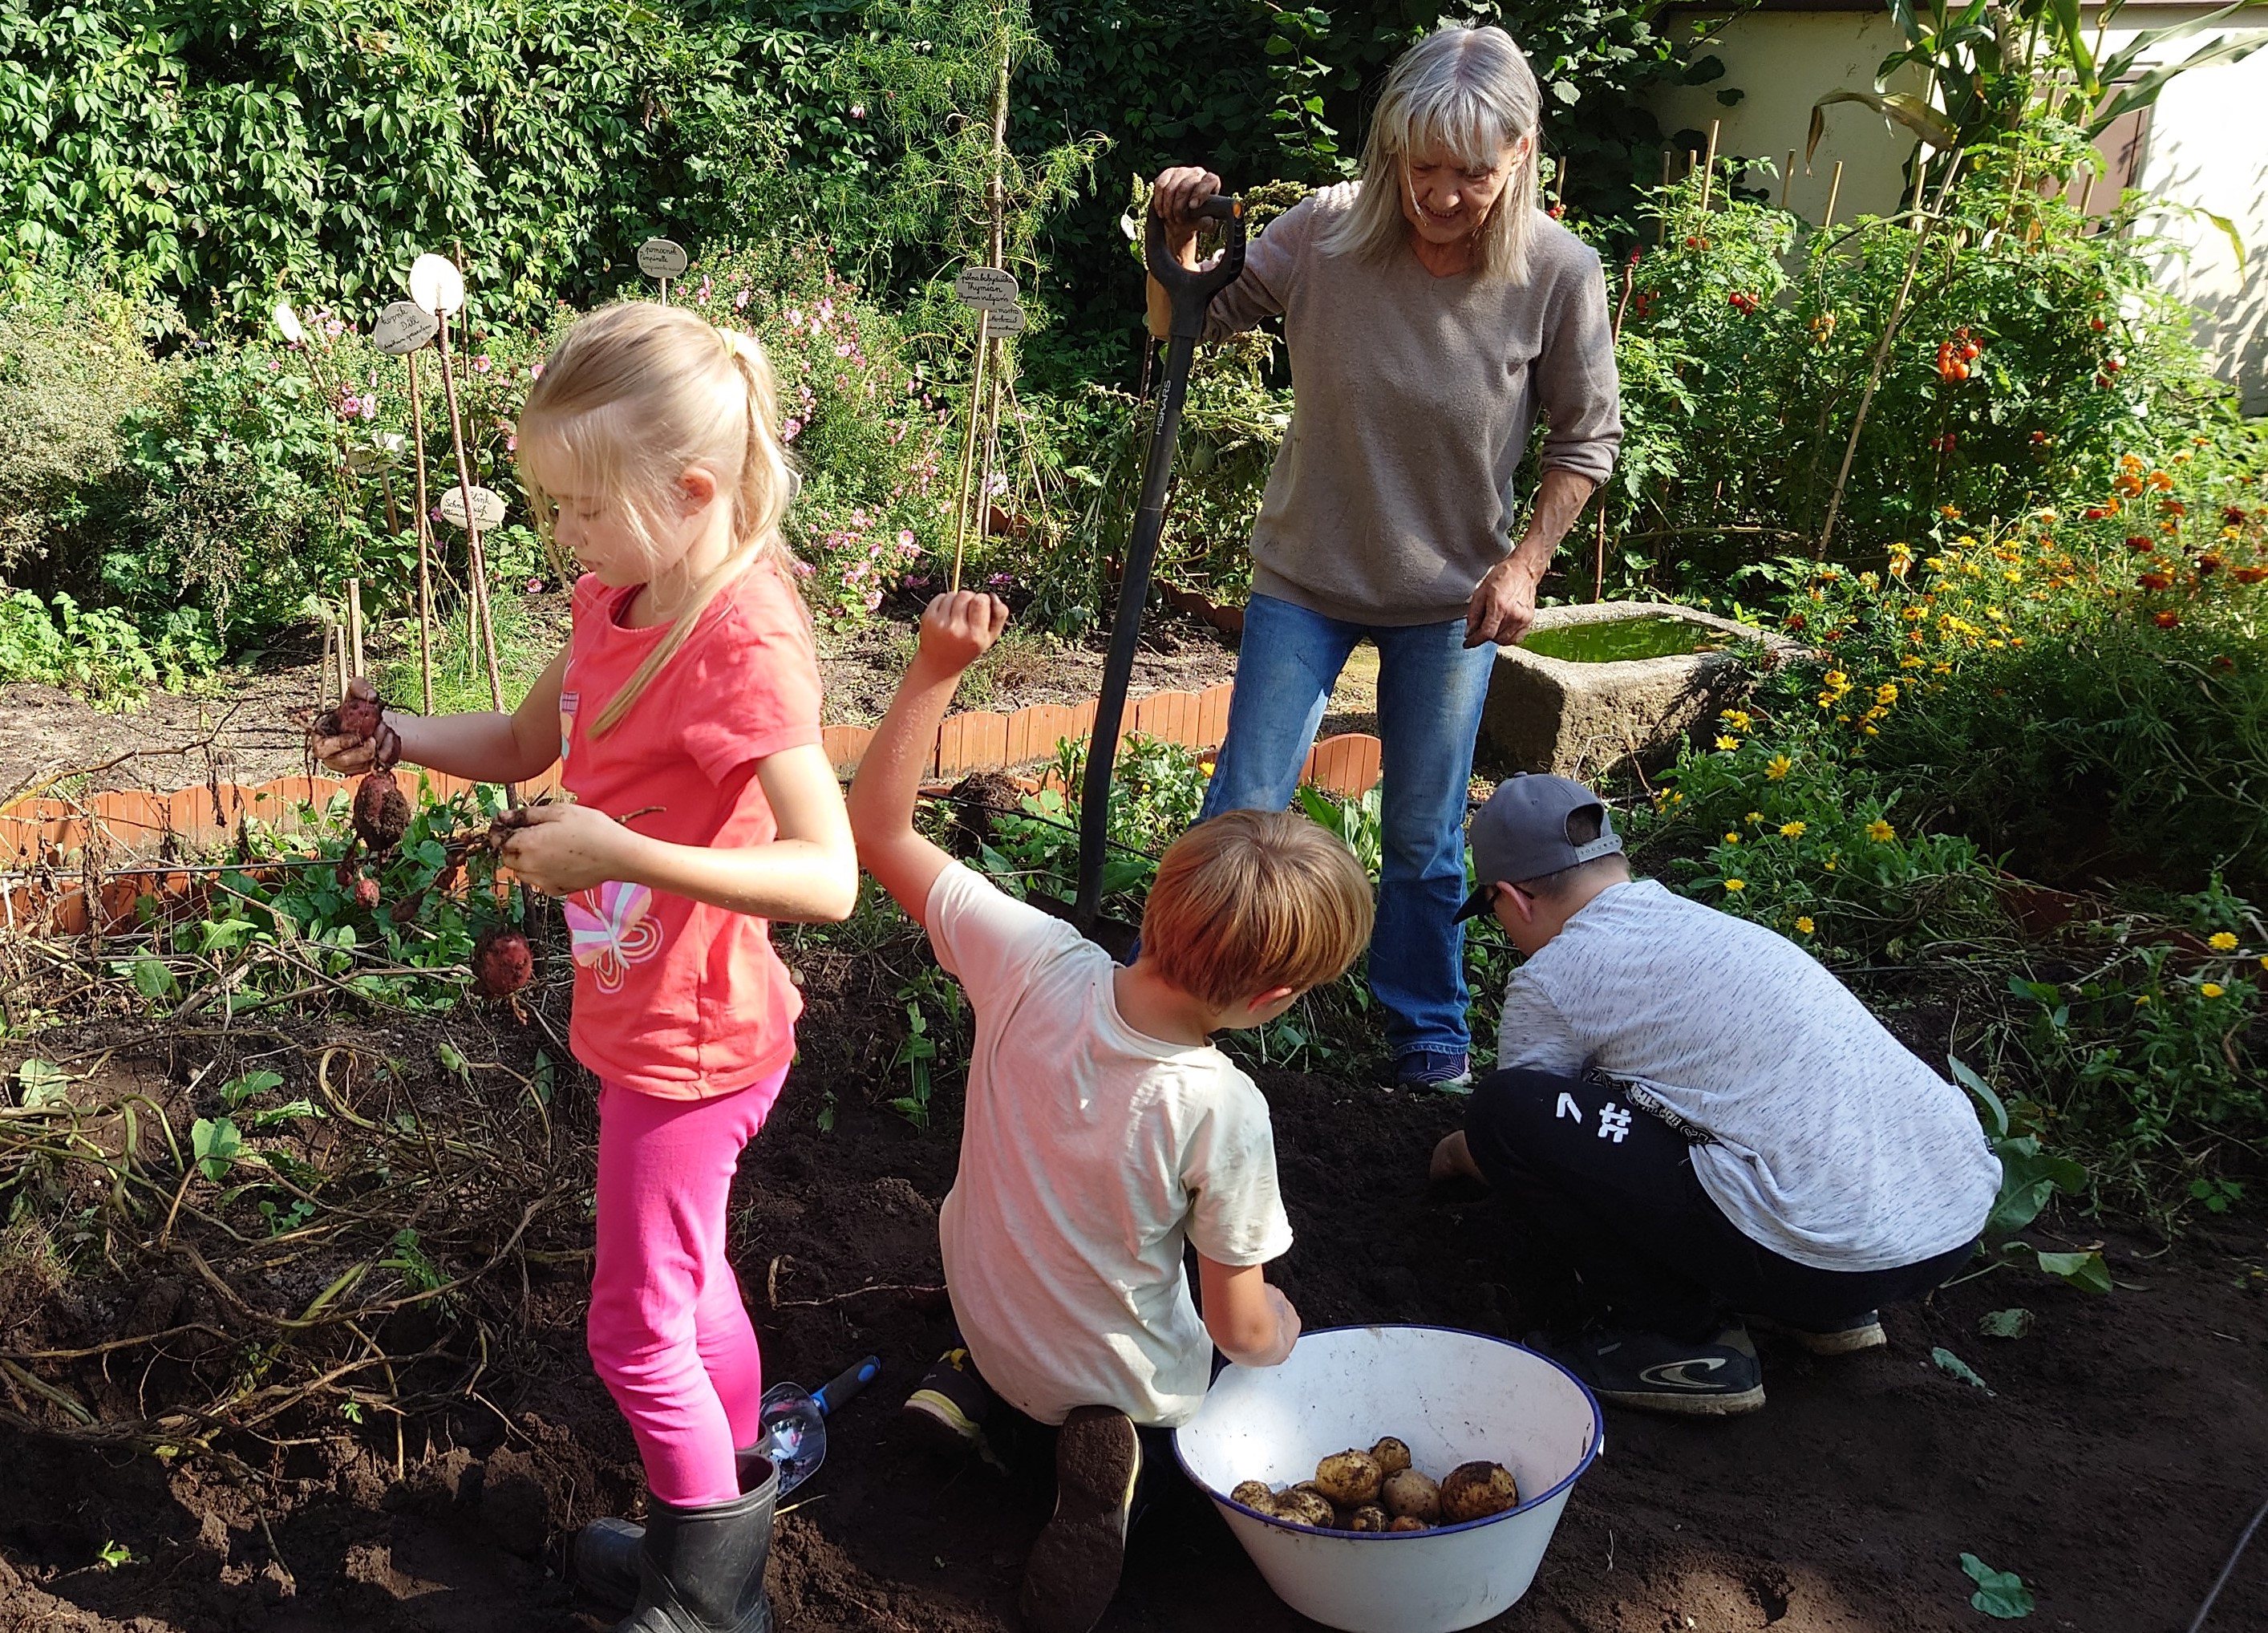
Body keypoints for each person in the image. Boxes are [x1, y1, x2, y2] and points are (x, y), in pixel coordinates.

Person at [314, 303, 857, 1633]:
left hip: (698, 1044)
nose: (559, 538)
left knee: (628, 1329)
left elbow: (827, 875)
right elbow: (515, 736)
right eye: (547, 507)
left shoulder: (742, 646)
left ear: (689, 492)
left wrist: (625, 847)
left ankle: (706, 1598)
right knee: (693, 1288)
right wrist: (398, 738)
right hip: (647, 1022)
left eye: (577, 510)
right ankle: (722, 1503)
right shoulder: (614, 597)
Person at [846, 590, 1372, 1633]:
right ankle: (1103, 1458)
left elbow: (875, 828)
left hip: (990, 1312)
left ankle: (974, 1390)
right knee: (1210, 1411)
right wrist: (1278, 1340)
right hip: (1113, 1383)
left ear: (1158, 901)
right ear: (1270, 1002)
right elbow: (1235, 1317)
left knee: (1025, 1266)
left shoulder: (1032, 957)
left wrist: (935, 669)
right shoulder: (1222, 1109)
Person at [1150, 22, 1622, 1092]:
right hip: (1304, 581)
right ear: (1390, 150)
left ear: (1520, 156)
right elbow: (1190, 322)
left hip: (1450, 603)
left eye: (1471, 172)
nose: (1441, 195)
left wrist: (1526, 564)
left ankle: (1425, 1032)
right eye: (1422, 167)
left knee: (1420, 833)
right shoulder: (1325, 233)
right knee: (1246, 805)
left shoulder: (1557, 271)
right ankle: (1181, 1001)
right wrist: (1176, 243)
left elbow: (1586, 438)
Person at [1430, 775, 2002, 1416]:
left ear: (1514, 897)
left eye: (1496, 912)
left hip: (1822, 1250)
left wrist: (1457, 1151)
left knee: (1504, 1111)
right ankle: (1825, 1316)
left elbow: (1526, 1138)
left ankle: (1677, 1337)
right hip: (1942, 1225)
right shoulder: (1712, 930)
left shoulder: (1558, 974)